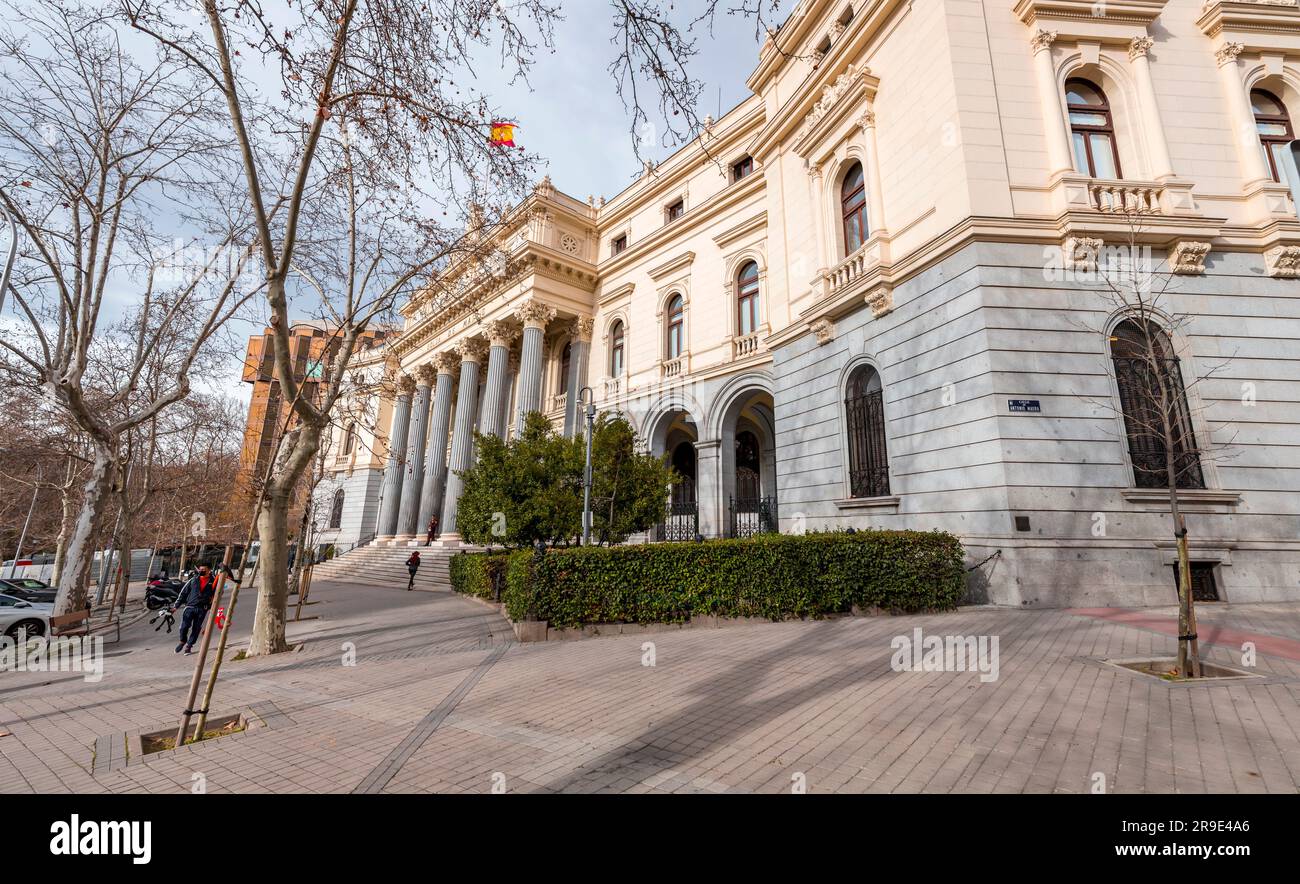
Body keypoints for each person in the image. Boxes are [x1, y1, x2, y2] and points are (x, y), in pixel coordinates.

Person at [170, 564, 241, 655]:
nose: (201, 571)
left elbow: (219, 593)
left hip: (202, 609)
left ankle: (189, 646)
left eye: (203, 569)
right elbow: (183, 593)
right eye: (200, 569)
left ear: (209, 571)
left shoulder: (214, 581)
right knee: (184, 626)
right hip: (189, 607)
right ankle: (182, 641)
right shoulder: (193, 580)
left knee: (196, 628)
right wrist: (175, 606)